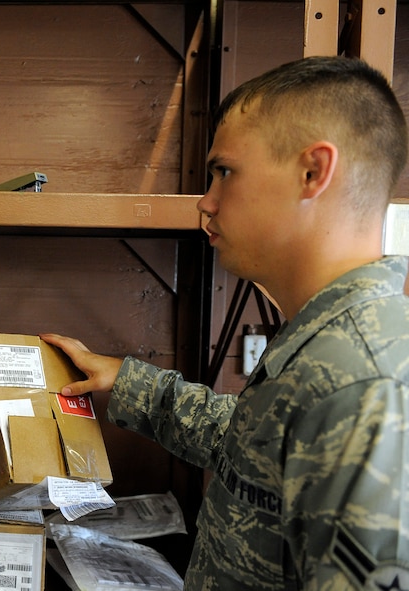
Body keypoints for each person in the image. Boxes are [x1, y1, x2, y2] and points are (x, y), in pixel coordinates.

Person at [42, 55, 409, 590]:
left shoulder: (365, 383)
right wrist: (129, 383)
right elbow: (251, 444)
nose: (206, 202)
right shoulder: (327, 346)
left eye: (225, 172)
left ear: (313, 172)